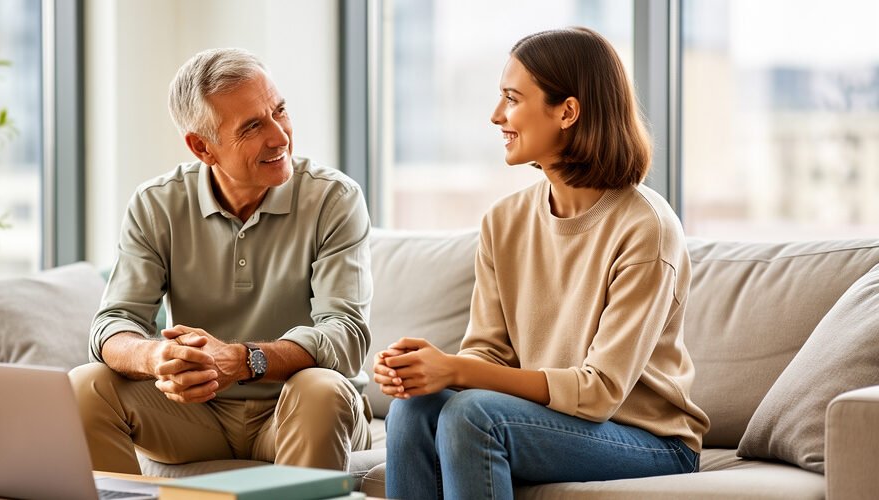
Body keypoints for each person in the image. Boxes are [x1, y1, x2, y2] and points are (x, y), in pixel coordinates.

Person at [375, 27, 711, 499]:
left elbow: (598, 394)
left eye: (512, 99)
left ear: (568, 112)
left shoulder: (646, 228)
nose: (496, 116)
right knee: (413, 409)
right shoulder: (504, 221)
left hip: (651, 441)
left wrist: (455, 370)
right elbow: (487, 354)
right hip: (551, 424)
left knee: (472, 416)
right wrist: (422, 371)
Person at [70, 48, 373, 474]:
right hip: (195, 416)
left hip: (295, 408)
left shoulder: (334, 199)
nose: (280, 136)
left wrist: (245, 360)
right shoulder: (156, 204)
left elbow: (346, 336)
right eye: (252, 126)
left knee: (321, 389)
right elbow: (111, 325)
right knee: (86, 385)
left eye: (279, 110)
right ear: (202, 147)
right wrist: (157, 358)